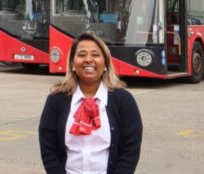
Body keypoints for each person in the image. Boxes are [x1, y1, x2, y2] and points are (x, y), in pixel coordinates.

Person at [39, 32, 143, 174]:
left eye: (95, 55)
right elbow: (48, 150)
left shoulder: (123, 100)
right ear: (72, 63)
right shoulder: (56, 99)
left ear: (105, 63)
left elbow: (130, 151)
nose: (88, 60)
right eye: (81, 55)